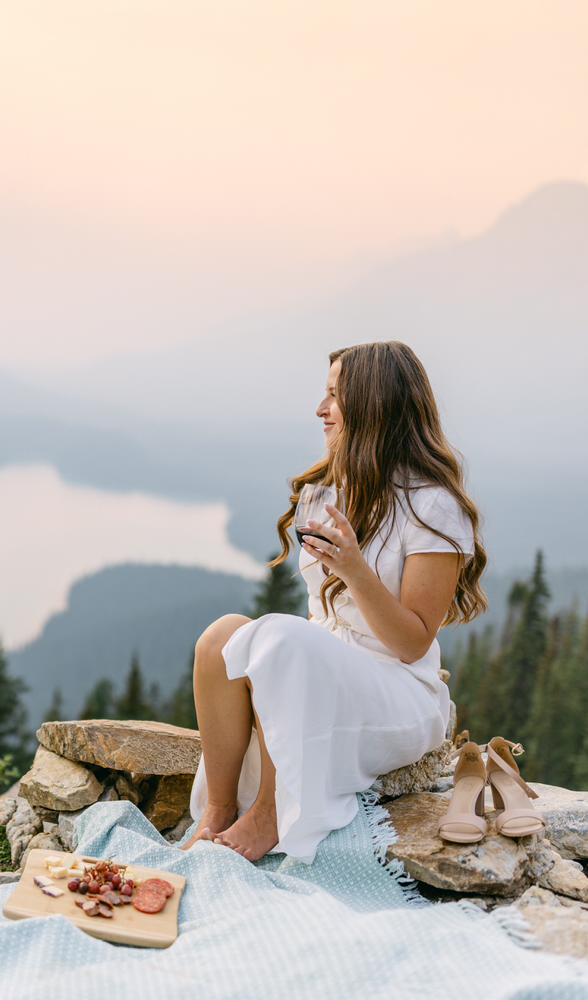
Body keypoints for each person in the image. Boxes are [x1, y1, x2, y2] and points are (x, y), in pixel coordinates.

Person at [184, 341, 487, 862]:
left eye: (334, 396)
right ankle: (218, 809)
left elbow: (413, 644)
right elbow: (318, 622)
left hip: (397, 690)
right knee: (220, 638)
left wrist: (353, 568)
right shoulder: (336, 488)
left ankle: (272, 815)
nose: (320, 410)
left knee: (278, 636)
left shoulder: (434, 506)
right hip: (327, 672)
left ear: (374, 404)